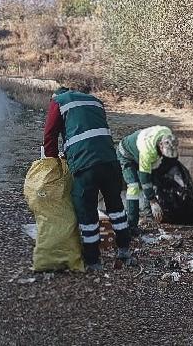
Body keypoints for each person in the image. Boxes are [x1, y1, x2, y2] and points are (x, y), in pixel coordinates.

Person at [44, 84, 131, 271]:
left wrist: (52, 164)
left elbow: (50, 135)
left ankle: (93, 261)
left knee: (87, 211)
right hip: (110, 161)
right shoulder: (95, 101)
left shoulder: (58, 102)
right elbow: (92, 132)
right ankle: (124, 250)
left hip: (85, 166)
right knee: (116, 207)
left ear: (55, 96)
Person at [117, 125, 179, 235]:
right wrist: (153, 201)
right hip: (126, 155)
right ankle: (132, 225)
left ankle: (149, 216)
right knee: (134, 187)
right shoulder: (148, 151)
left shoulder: (168, 134)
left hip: (140, 151)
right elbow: (144, 179)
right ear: (160, 146)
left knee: (153, 182)